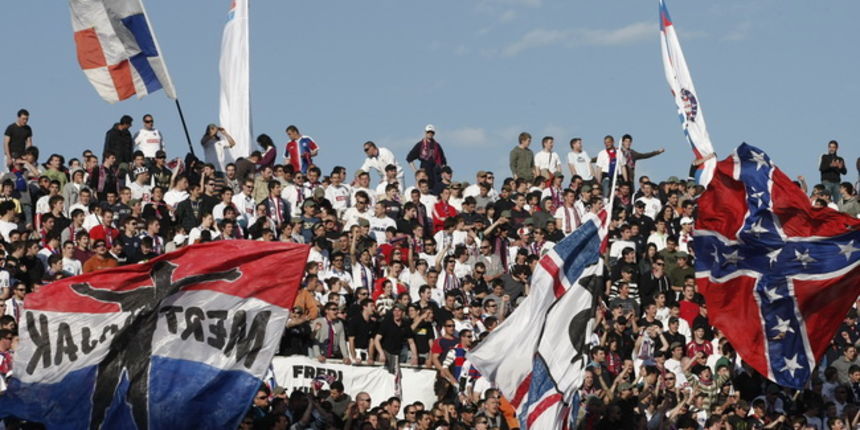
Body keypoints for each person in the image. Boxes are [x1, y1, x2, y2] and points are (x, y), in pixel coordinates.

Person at [406, 125, 447, 189]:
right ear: (425, 133)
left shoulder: (437, 146)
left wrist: (443, 174)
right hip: (424, 173)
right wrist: (416, 171)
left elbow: (443, 161)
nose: (430, 134)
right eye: (428, 132)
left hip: (436, 174)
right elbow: (409, 158)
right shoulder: (420, 145)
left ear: (434, 133)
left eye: (431, 132)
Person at [820, 140, 848, 204]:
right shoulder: (824, 157)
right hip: (827, 181)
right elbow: (822, 168)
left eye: (833, 147)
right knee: (825, 200)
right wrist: (830, 165)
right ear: (828, 148)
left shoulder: (840, 159)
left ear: (836, 148)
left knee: (839, 201)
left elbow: (844, 172)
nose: (831, 149)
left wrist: (841, 168)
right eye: (830, 147)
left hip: (837, 183)